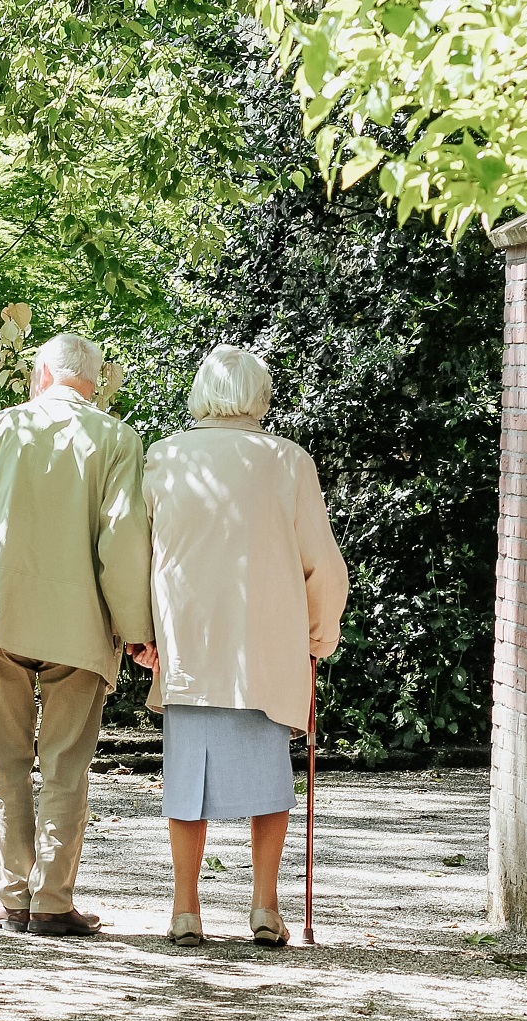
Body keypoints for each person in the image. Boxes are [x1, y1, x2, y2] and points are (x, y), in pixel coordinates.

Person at [0, 332, 155, 937]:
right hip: (79, 625)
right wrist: (136, 630)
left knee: (5, 762)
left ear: (42, 375)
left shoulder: (0, 429)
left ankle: (13, 896)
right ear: (94, 383)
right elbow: (123, 540)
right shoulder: (117, 439)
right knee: (65, 764)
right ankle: (53, 902)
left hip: (0, 614)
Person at [132, 344, 349, 948]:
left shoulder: (164, 457)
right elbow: (321, 563)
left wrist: (140, 632)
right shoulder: (287, 462)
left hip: (190, 643)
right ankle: (264, 906)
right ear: (260, 396)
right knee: (269, 781)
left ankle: (184, 909)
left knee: (185, 781)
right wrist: (319, 632)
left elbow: (136, 554)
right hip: (266, 645)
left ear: (203, 392)